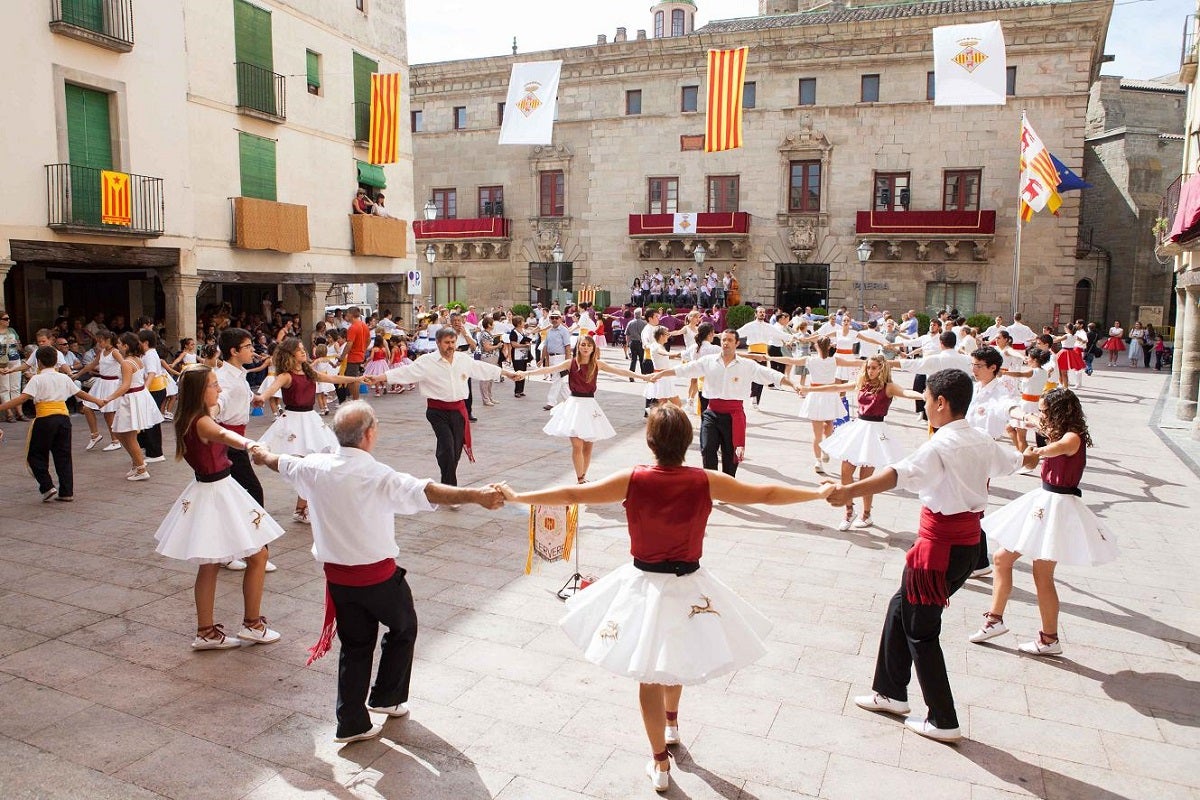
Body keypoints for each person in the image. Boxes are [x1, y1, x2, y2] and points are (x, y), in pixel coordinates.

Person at [497, 405, 833, 791]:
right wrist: (818, 493)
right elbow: (767, 493)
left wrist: (518, 495)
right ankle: (671, 722)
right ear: (688, 441)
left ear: (650, 441)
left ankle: (660, 761)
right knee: (677, 659)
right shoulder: (705, 480)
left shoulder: (634, 478)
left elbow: (574, 491)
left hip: (643, 584)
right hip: (690, 584)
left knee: (649, 672)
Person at [252, 401, 505, 742]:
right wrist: (476, 495)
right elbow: (426, 490)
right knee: (404, 627)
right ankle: (386, 697)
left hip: (340, 579)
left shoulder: (315, 467)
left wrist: (261, 451)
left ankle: (351, 722)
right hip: (379, 579)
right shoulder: (376, 474)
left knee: (356, 646)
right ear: (370, 434)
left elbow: (278, 461)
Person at [828, 369, 1037, 743]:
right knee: (899, 608)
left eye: (926, 401)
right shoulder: (980, 440)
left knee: (922, 632)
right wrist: (1030, 458)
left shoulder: (940, 445)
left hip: (938, 552)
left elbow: (897, 474)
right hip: (966, 548)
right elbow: (1013, 463)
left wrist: (850, 491)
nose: (925, 408)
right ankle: (890, 691)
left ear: (941, 403)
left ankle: (944, 718)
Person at [970, 388, 1117, 656]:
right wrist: (1015, 413)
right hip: (1045, 500)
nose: (1043, 415)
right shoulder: (1058, 429)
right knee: (1004, 560)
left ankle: (1047, 638)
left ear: (1060, 411)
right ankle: (996, 620)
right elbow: (1027, 419)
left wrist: (1032, 449)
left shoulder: (1071, 438)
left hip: (1057, 506)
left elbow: (1051, 449)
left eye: (1046, 410)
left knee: (1040, 574)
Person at [153, 365, 284, 649]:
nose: (219, 388)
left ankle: (207, 630)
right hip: (217, 491)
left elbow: (221, 425)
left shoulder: (192, 417)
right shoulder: (201, 421)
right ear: (200, 391)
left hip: (210, 488)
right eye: (214, 384)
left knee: (211, 563)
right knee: (257, 555)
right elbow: (226, 436)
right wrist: (252, 445)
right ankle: (251, 624)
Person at [373, 327, 519, 486]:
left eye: (453, 342)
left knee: (454, 451)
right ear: (437, 343)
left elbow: (481, 368)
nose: (450, 346)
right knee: (448, 447)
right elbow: (405, 373)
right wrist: (379, 378)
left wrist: (506, 373)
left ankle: (446, 475)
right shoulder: (426, 361)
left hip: (458, 411)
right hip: (437, 412)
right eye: (446, 343)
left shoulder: (463, 359)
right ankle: (450, 487)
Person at [653, 329, 799, 476]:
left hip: (734, 415)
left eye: (729, 340)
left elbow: (771, 374)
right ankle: (712, 483)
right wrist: (662, 373)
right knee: (707, 449)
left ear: (737, 343)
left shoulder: (747, 365)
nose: (725, 343)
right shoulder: (708, 361)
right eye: (723, 340)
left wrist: (793, 384)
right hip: (711, 412)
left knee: (730, 454)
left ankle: (728, 486)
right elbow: (685, 369)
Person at [801, 354, 921, 530]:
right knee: (845, 471)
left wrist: (925, 396)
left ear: (882, 368)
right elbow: (836, 386)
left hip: (875, 432)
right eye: (868, 367)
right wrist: (811, 390)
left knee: (866, 479)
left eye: (873, 367)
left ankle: (866, 515)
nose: (870, 371)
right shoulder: (862, 383)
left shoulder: (888, 387)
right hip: (858, 429)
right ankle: (849, 512)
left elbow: (906, 393)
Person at [517, 334, 647, 482]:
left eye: (589, 345)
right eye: (583, 344)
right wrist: (526, 373)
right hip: (574, 406)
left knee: (588, 446)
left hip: (590, 406)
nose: (585, 347)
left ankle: (583, 476)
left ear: (593, 348)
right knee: (577, 445)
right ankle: (580, 479)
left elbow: (620, 371)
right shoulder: (570, 363)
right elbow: (548, 369)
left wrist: (645, 378)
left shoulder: (598, 364)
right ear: (578, 346)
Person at [256, 337, 359, 522]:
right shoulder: (286, 375)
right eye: (299, 350)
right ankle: (302, 507)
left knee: (311, 465)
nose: (303, 352)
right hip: (294, 421)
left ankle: (302, 507)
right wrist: (261, 397)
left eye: (303, 349)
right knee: (304, 466)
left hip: (310, 419)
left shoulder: (309, 372)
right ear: (290, 354)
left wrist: (356, 378)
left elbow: (332, 378)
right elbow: (272, 389)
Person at [0, 346, 104, 501]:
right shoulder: (63, 378)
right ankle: (67, 492)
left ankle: (47, 486)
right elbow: (79, 393)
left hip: (45, 419)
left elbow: (22, 398)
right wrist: (97, 400)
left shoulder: (37, 378)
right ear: (56, 361)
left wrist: (1, 407)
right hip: (63, 419)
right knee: (63, 456)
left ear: (39, 362)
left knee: (35, 455)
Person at [102, 332, 165, 482]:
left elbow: (125, 385)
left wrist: (109, 398)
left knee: (128, 435)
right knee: (121, 432)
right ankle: (137, 463)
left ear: (126, 346)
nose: (117, 346)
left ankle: (141, 468)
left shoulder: (127, 362)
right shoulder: (137, 359)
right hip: (136, 397)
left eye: (119, 344)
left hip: (130, 399)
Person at [541, 311, 573, 411]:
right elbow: (546, 346)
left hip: (561, 357)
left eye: (556, 318)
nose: (554, 320)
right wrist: (544, 360)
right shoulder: (549, 331)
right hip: (551, 358)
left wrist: (568, 361)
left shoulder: (564, 331)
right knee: (561, 381)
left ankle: (551, 402)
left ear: (560, 319)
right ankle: (570, 400)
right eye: (552, 318)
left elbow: (567, 346)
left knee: (556, 379)